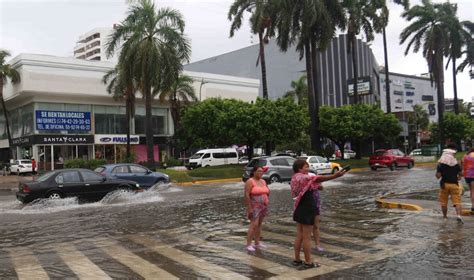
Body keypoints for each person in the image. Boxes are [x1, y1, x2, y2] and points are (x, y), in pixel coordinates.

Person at [291, 159, 346, 269]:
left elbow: (311, 186)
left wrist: (318, 186)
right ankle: (308, 262)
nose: (308, 168)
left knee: (299, 235)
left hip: (299, 206)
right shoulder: (303, 177)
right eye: (306, 167)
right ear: (299, 169)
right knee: (307, 237)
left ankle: (297, 259)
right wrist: (335, 176)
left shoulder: (294, 177)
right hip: (307, 206)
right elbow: (318, 178)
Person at [244, 165, 270, 252]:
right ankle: (248, 244)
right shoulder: (250, 181)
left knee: (259, 224)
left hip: (263, 205)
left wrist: (266, 199)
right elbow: (247, 195)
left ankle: (257, 242)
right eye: (258, 171)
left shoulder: (263, 181)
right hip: (254, 205)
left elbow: (267, 191)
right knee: (254, 224)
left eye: (261, 171)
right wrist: (249, 208)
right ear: (254, 172)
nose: (260, 173)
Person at [436, 143, 463, 224]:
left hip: (444, 185)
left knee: (444, 202)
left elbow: (438, 176)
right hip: (454, 185)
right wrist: (458, 176)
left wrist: (438, 171)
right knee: (457, 202)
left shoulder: (441, 164)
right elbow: (461, 175)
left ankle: (445, 217)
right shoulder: (456, 164)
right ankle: (458, 215)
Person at [461, 147, 474, 212]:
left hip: (467, 175)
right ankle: (473, 206)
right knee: (473, 191)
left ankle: (473, 205)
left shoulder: (465, 155)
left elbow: (461, 162)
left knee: (471, 190)